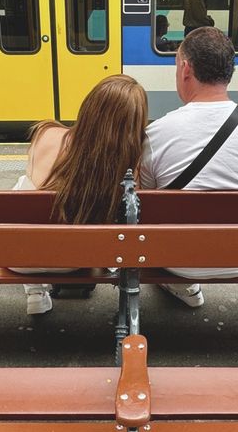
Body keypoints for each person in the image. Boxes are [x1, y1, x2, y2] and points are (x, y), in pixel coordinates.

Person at [140, 27, 238, 308]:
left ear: (185, 68)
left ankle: (186, 288)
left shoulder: (156, 133)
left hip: (177, 262)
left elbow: (144, 204)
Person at [13, 74, 149, 315]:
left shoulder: (45, 134)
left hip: (18, 257)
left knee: (25, 184)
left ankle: (35, 291)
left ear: (88, 107)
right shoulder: (129, 163)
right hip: (73, 261)